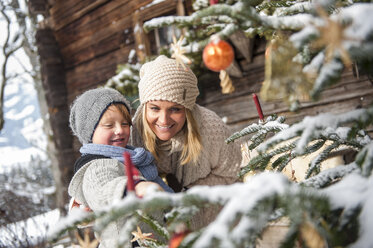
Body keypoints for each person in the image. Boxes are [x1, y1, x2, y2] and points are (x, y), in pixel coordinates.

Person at [131, 55, 242, 229]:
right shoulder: (134, 134)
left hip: (215, 220)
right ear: (145, 106)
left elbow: (233, 175)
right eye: (154, 108)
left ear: (187, 109)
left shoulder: (211, 128)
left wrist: (188, 194)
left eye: (175, 109)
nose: (164, 120)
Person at [68, 87, 173, 247]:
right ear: (90, 132)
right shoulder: (96, 165)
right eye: (109, 125)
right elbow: (103, 188)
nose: (120, 130)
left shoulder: (132, 158)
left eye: (125, 123)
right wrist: (135, 186)